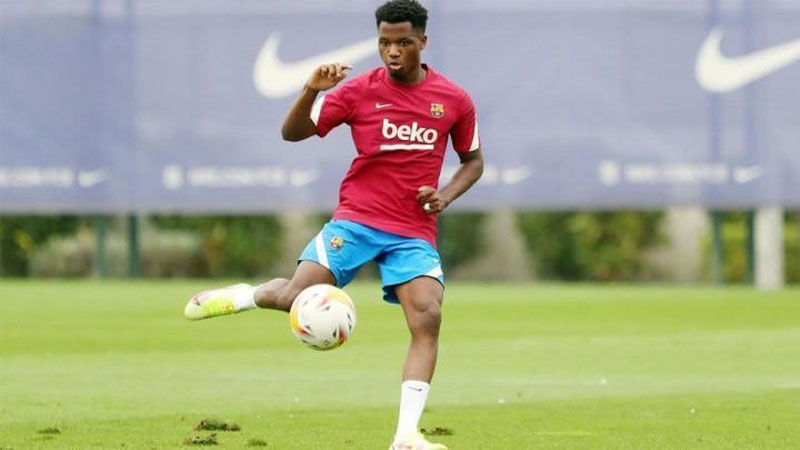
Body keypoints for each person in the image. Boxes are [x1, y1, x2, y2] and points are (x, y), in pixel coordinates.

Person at [184, 1, 483, 448]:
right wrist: (310, 89)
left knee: (428, 316)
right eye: (384, 42)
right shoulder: (359, 91)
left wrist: (445, 195)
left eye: (403, 42)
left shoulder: (454, 100)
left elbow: (473, 162)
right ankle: (244, 296)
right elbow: (292, 132)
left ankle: (406, 435)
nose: (393, 51)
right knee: (293, 297)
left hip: (412, 231)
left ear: (423, 41)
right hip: (357, 219)